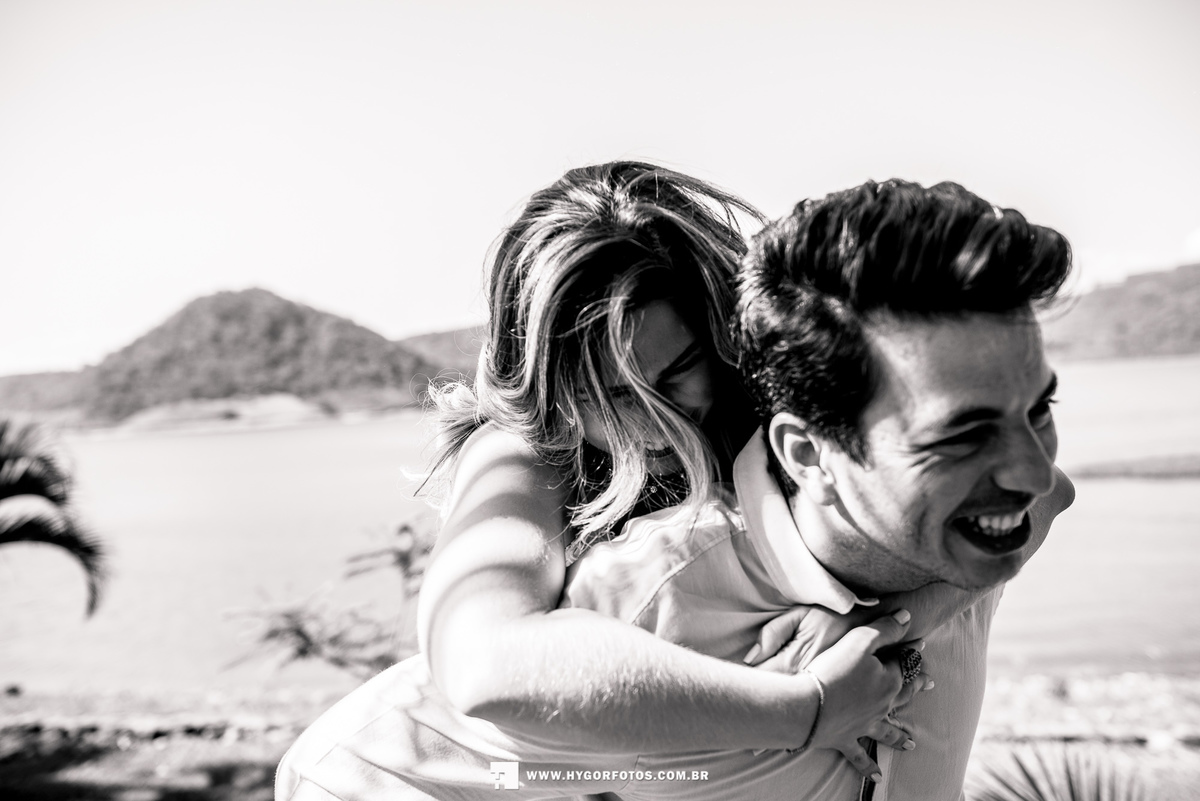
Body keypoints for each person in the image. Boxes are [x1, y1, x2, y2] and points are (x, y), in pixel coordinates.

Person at [275, 169, 1071, 799]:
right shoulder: (524, 452)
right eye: (608, 394)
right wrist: (805, 709)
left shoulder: (783, 409)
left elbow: (1035, 496)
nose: (654, 422)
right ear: (552, 393)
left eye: (677, 370)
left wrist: (889, 625)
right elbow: (484, 661)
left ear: (719, 334)